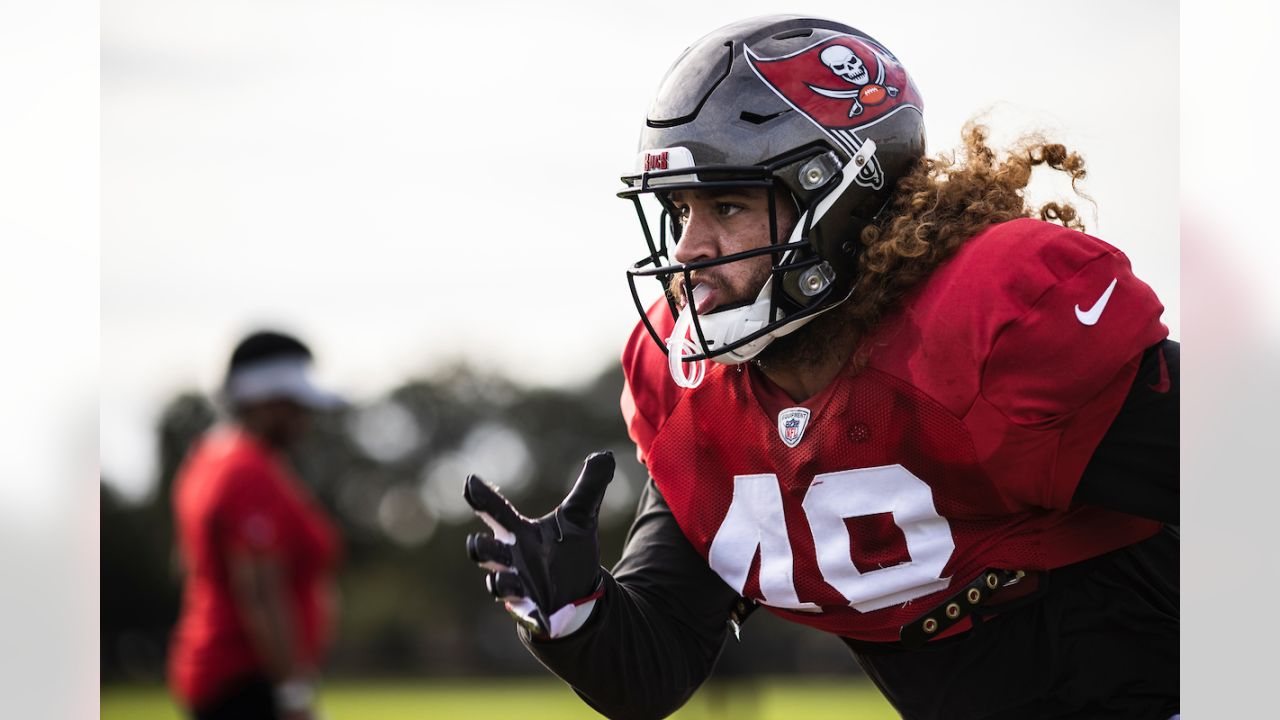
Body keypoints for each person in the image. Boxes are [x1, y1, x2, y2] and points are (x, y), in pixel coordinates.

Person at [464, 14, 1177, 720]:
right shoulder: (700, 399)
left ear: (842, 199)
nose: (688, 248)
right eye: (681, 209)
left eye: (729, 203)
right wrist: (572, 612)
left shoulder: (989, 327)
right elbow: (656, 660)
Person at [168, 330, 344, 720]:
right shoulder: (246, 470)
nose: (304, 417)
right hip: (245, 682)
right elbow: (261, 591)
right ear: (263, 403)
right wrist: (293, 694)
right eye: (293, 405)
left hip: (227, 677)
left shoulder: (208, 458)